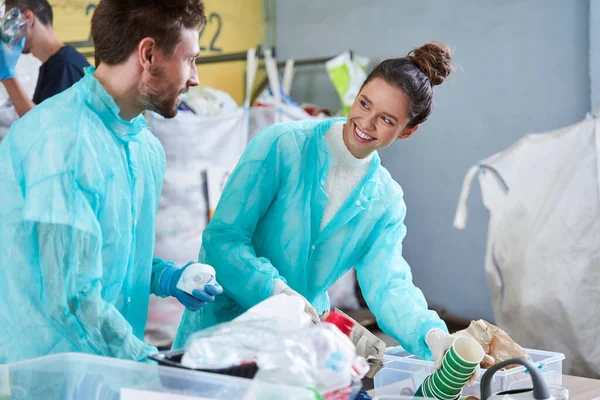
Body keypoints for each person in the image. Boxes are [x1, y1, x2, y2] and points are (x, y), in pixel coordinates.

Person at [174, 41, 490, 383]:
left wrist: (432, 335)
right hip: (220, 338)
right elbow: (223, 240)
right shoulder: (282, 145)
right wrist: (275, 292)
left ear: (408, 131)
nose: (365, 123)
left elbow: (388, 284)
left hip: (298, 352)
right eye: (364, 103)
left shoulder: (385, 201)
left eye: (386, 119)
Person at [0, 0, 223, 364]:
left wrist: (168, 277)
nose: (195, 77)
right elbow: (70, 298)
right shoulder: (64, 142)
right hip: (44, 372)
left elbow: (108, 253)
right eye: (191, 59)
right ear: (148, 54)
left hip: (104, 368)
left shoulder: (143, 148)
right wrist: (148, 362)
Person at [0, 0, 91, 117]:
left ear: (28, 18)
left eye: (8, 25)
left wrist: (8, 76)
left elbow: (42, 126)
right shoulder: (55, 64)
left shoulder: (65, 65)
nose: (7, 35)